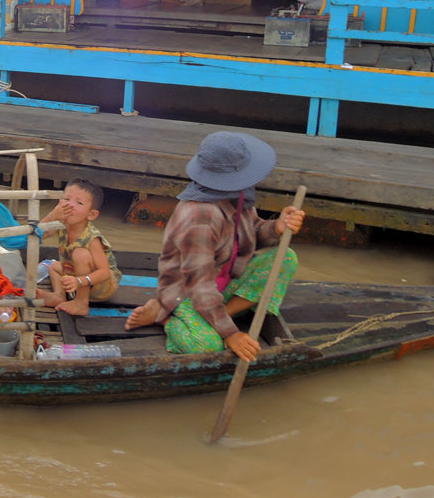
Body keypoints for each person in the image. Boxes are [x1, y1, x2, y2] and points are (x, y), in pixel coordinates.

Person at [124, 132, 306, 362]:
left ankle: (217, 316)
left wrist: (277, 227)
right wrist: (231, 334)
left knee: (286, 258)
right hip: (188, 294)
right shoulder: (200, 215)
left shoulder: (238, 196)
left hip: (224, 281)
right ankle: (164, 316)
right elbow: (199, 286)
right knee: (207, 346)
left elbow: (250, 234)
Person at [37, 179, 122, 316]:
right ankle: (59, 296)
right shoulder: (62, 223)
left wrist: (79, 281)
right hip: (78, 277)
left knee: (80, 254)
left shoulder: (92, 238)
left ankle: (81, 303)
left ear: (91, 214)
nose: (70, 205)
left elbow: (104, 272)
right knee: (53, 266)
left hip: (103, 285)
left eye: (79, 203)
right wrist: (52, 215)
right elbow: (39, 233)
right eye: (67, 199)